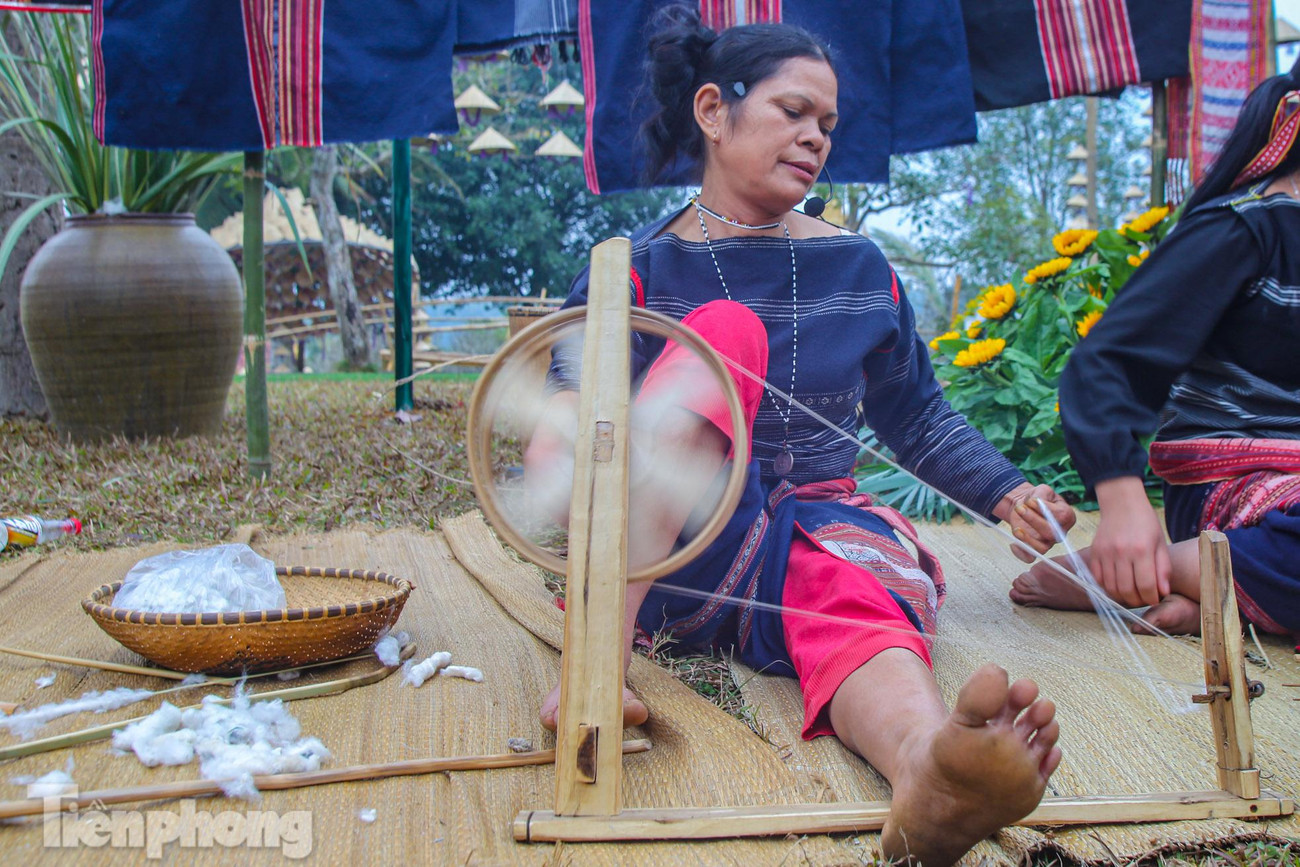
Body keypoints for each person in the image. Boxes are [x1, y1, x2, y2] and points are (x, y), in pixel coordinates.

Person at [526, 8, 1072, 864]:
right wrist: (573, 442)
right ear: (714, 110)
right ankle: (594, 672)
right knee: (727, 332)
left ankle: (927, 768)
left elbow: (917, 415)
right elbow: (561, 416)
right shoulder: (631, 268)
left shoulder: (861, 268)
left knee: (853, 593)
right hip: (668, 558)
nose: (815, 137)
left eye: (828, 124)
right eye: (792, 111)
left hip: (818, 536)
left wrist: (1008, 492)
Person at [1010, 58, 1300, 642]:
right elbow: (1106, 364)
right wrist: (1122, 501)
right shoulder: (1245, 229)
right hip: (1241, 484)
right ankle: (1147, 566)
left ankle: (1210, 593)